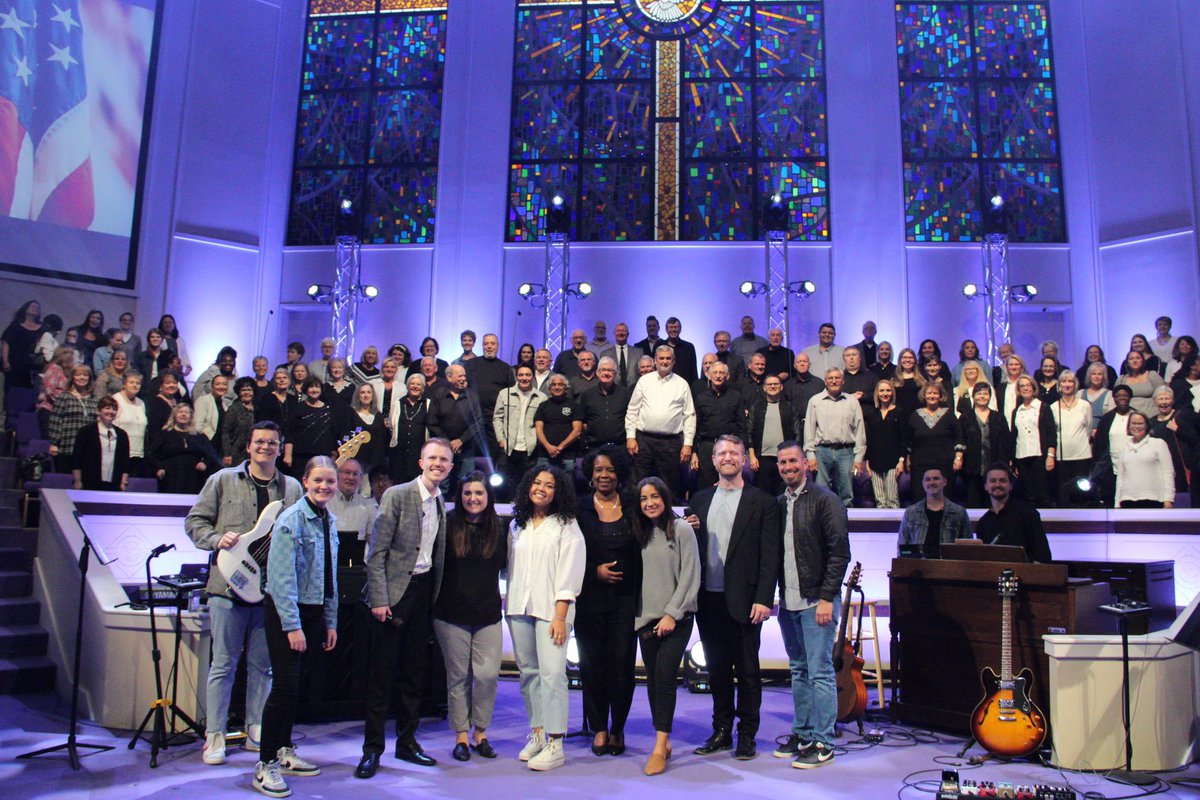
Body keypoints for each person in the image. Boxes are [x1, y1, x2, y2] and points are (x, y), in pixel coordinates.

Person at [186, 421, 303, 767]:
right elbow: (195, 521)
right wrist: (214, 540)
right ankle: (215, 735)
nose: (265, 447)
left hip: (269, 592)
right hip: (226, 586)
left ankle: (256, 728)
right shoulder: (222, 480)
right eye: (259, 442)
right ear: (249, 447)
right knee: (223, 664)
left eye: (272, 443)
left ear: (280, 448)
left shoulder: (292, 488)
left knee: (262, 666)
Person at [356, 438, 453, 779]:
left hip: (424, 594)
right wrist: (380, 599)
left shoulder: (441, 502)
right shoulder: (397, 495)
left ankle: (407, 743)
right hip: (393, 595)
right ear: (421, 462)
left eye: (444, 459)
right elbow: (376, 552)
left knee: (414, 674)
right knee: (382, 677)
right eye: (432, 458)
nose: (437, 464)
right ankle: (372, 750)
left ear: (450, 467)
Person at [253, 456, 338, 798]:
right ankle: (265, 765)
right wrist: (293, 626)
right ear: (305, 481)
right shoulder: (291, 519)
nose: (324, 487)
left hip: (315, 612)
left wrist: (330, 621)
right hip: (288, 614)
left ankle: (284, 750)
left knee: (296, 686)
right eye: (318, 480)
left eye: (329, 482)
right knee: (285, 688)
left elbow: (328, 575)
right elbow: (281, 578)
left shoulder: (328, 519)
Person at [691, 435, 779, 761]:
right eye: (721, 453)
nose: (728, 457)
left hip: (746, 602)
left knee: (747, 672)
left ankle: (747, 735)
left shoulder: (763, 501)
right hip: (708, 600)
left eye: (734, 453)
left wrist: (764, 598)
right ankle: (721, 730)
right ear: (713, 460)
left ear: (744, 459)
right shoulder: (698, 501)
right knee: (716, 671)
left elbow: (771, 556)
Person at [773, 440, 849, 769]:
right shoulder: (777, 504)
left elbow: (839, 552)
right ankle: (803, 734)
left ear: (806, 464)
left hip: (817, 599)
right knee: (798, 670)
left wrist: (826, 597)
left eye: (793, 461)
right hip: (788, 600)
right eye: (782, 463)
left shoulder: (825, 500)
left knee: (819, 673)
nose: (788, 467)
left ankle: (824, 740)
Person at [506, 465, 586, 772]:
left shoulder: (567, 525)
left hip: (553, 611)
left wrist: (560, 615)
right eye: (537, 482)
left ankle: (556, 742)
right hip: (519, 608)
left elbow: (571, 571)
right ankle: (538, 733)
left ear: (558, 491)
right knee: (529, 673)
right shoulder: (518, 525)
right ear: (528, 486)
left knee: (553, 675)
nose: (542, 488)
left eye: (549, 485)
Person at [432, 470, 506, 762]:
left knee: (487, 676)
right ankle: (462, 735)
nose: (472, 498)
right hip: (450, 615)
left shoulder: (500, 528)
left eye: (478, 493)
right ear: (459, 496)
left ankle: (481, 731)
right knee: (458, 677)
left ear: (488, 497)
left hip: (488, 614)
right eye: (467, 493)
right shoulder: (447, 525)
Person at [633, 476, 700, 776]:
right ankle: (663, 737)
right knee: (653, 680)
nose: (650, 503)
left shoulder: (683, 528)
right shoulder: (639, 532)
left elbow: (690, 576)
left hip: (677, 618)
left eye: (654, 496)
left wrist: (672, 613)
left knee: (665, 675)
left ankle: (660, 746)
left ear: (665, 497)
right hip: (645, 620)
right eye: (644, 498)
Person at [574, 445, 638, 758]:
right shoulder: (579, 507)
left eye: (610, 470)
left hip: (626, 600)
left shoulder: (633, 503)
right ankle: (599, 726)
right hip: (589, 598)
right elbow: (568, 555)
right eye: (599, 470)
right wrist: (593, 572)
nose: (604, 475)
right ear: (590, 473)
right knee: (592, 664)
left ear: (619, 473)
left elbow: (661, 522)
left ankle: (618, 728)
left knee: (622, 666)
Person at [624, 345, 696, 498]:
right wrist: (630, 437)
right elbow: (632, 410)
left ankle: (669, 521)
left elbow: (689, 416)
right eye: (661, 358)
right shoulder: (644, 381)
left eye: (668, 358)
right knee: (639, 483)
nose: (664, 361)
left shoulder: (682, 384)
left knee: (670, 485)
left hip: (671, 443)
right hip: (643, 441)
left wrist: (688, 444)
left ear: (674, 361)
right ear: (655, 361)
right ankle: (637, 520)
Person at [803, 368, 866, 507]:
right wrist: (810, 455)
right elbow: (809, 430)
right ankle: (822, 524)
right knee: (820, 492)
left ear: (843, 381)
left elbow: (859, 430)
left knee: (847, 493)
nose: (834, 381)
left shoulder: (852, 401)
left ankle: (846, 525)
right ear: (825, 381)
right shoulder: (815, 401)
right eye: (830, 378)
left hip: (846, 452)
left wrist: (858, 459)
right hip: (821, 452)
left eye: (837, 378)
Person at [975, 463, 1052, 562]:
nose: (997, 485)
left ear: (1011, 485)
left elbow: (1043, 555)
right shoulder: (983, 523)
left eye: (1002, 481)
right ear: (985, 486)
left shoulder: (1028, 513)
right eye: (993, 481)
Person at [691, 361, 743, 491]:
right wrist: (694, 453)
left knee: (729, 485)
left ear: (728, 376)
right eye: (715, 372)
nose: (718, 376)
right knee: (706, 487)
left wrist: (743, 451)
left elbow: (742, 426)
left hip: (729, 448)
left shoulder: (736, 396)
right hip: (707, 448)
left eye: (721, 373)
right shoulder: (701, 398)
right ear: (708, 375)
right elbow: (695, 427)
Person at [907, 382, 964, 499]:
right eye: (929, 393)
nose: (932, 396)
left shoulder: (949, 414)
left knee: (945, 498)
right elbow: (908, 440)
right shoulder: (915, 415)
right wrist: (907, 459)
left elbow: (959, 437)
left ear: (940, 396)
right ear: (924, 395)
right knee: (920, 498)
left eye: (935, 393)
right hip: (920, 465)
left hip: (945, 465)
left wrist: (958, 458)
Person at [493, 364, 543, 496]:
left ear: (532, 377)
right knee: (501, 485)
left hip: (529, 450)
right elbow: (497, 418)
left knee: (526, 486)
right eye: (521, 375)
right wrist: (501, 439)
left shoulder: (541, 397)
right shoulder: (505, 394)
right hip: (508, 448)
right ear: (516, 376)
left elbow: (543, 423)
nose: (524, 378)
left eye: (527, 375)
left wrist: (537, 441)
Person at [897, 468, 970, 558]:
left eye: (936, 478)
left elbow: (968, 549)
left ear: (944, 482)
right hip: (919, 569)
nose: (931, 482)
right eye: (927, 479)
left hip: (948, 569)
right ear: (923, 484)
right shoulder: (911, 512)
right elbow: (902, 547)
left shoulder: (959, 513)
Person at [148, 404, 221, 493]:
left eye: (186, 412)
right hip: (170, 477)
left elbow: (211, 455)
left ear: (191, 416)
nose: (183, 414)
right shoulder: (165, 434)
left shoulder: (199, 436)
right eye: (180, 412)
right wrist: (159, 468)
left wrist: (205, 463)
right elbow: (152, 454)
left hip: (194, 477)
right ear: (175, 415)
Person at [959, 382, 1011, 507]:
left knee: (994, 503)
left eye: (985, 394)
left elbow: (1006, 441)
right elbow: (960, 440)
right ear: (973, 396)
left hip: (994, 466)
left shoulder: (998, 417)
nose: (982, 396)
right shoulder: (965, 417)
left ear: (990, 397)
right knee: (973, 502)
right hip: (972, 467)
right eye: (979, 393)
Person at [746, 375, 798, 497]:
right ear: (764, 388)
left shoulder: (789, 407)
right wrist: (752, 456)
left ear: (781, 387)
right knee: (764, 495)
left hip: (784, 459)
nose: (772, 386)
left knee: (784, 495)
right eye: (769, 384)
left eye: (776, 384)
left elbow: (797, 433)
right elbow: (749, 432)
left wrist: (794, 456)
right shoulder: (757, 407)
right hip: (762, 459)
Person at [1009, 374, 1055, 507]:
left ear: (1033, 387)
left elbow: (1051, 434)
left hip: (1040, 456)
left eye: (1028, 385)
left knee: (1043, 493)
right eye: (1022, 386)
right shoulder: (1016, 411)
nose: (1025, 388)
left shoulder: (1044, 407)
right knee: (1028, 495)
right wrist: (1014, 462)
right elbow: (1014, 436)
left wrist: (1050, 456)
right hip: (1022, 456)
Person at [1049, 371, 1094, 507]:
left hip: (1082, 455)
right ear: (1059, 385)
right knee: (1064, 494)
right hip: (1061, 457)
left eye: (1070, 382)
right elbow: (1052, 433)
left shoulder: (1084, 405)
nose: (1067, 385)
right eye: (1064, 381)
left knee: (1082, 493)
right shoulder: (1053, 407)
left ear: (1075, 385)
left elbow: (1088, 429)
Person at [1116, 412, 1176, 509]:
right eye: (1134, 423)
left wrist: (1169, 499)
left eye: (1140, 423)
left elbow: (1168, 473)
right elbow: (1121, 478)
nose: (1137, 426)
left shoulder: (1158, 444)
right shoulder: (1124, 448)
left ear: (1147, 425)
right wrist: (1117, 502)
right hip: (1127, 500)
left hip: (1153, 499)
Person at [71, 396, 131, 491]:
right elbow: (77, 458)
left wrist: (123, 482)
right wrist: (77, 480)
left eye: (114, 409)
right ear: (98, 411)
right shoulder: (86, 431)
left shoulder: (122, 435)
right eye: (107, 408)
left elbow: (125, 462)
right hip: (89, 484)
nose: (111, 412)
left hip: (114, 485)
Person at [863, 380, 906, 508]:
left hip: (893, 462)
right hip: (875, 463)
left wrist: (901, 461)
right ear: (877, 393)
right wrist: (868, 462)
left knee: (892, 500)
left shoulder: (899, 413)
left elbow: (904, 439)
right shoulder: (872, 414)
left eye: (888, 390)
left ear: (892, 393)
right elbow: (869, 440)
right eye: (882, 391)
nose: (885, 393)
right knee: (880, 501)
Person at [48, 365, 98, 473]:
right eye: (78, 375)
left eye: (85, 375)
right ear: (72, 378)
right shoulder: (64, 397)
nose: (81, 377)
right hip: (67, 445)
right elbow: (55, 420)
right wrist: (54, 443)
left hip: (87, 448)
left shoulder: (94, 399)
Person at [1148, 387, 1194, 502]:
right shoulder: (1152, 422)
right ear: (1155, 402)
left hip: (1179, 467)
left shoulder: (1181, 416)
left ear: (1172, 400)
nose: (1164, 402)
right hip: (1159, 468)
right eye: (1160, 399)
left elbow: (1194, 439)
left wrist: (1178, 430)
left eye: (1167, 398)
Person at [284, 378, 336, 478]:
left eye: (317, 387)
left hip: (323, 457)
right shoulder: (297, 408)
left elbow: (332, 434)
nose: (314, 390)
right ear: (306, 389)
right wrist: (288, 455)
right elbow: (289, 433)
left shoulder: (329, 410)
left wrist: (333, 455)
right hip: (300, 458)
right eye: (311, 387)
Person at [388, 374, 431, 484]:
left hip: (418, 454)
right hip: (399, 454)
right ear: (407, 386)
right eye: (412, 384)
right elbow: (392, 425)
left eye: (418, 384)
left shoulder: (428, 404)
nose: (415, 387)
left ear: (423, 388)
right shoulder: (398, 403)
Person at [342, 383, 389, 475]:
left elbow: (383, 439)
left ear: (372, 395)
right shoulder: (351, 413)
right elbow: (345, 436)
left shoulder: (378, 415)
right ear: (358, 395)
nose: (366, 395)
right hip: (357, 462)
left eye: (368, 392)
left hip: (376, 463)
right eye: (362, 392)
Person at [2, 300, 45, 388]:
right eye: (32, 306)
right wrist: (5, 361)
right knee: (12, 391)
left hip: (33, 366)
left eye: (37, 308)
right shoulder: (15, 326)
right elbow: (6, 343)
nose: (35, 309)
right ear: (25, 309)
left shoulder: (43, 328)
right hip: (15, 364)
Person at [113, 373, 149, 476]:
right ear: (124, 384)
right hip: (120, 452)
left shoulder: (141, 403)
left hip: (138, 453)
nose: (135, 385)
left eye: (138, 383)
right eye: (131, 382)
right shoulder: (116, 399)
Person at [599, 322, 643, 387]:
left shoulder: (639, 352)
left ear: (628, 334)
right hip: (613, 391)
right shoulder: (605, 354)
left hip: (634, 390)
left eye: (624, 331)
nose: (621, 333)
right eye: (618, 331)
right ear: (614, 334)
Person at [663, 317, 699, 385]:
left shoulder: (689, 347)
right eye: (670, 327)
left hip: (685, 387)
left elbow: (693, 372)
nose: (673, 330)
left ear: (680, 329)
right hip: (664, 386)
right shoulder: (660, 346)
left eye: (676, 327)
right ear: (666, 329)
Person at [1082, 362, 1116, 433]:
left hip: (1101, 433)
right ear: (1089, 376)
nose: (1096, 377)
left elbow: (1110, 419)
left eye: (1099, 374)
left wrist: (1098, 431)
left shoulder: (1110, 394)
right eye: (1093, 374)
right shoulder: (1080, 393)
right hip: (1082, 433)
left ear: (1104, 377)